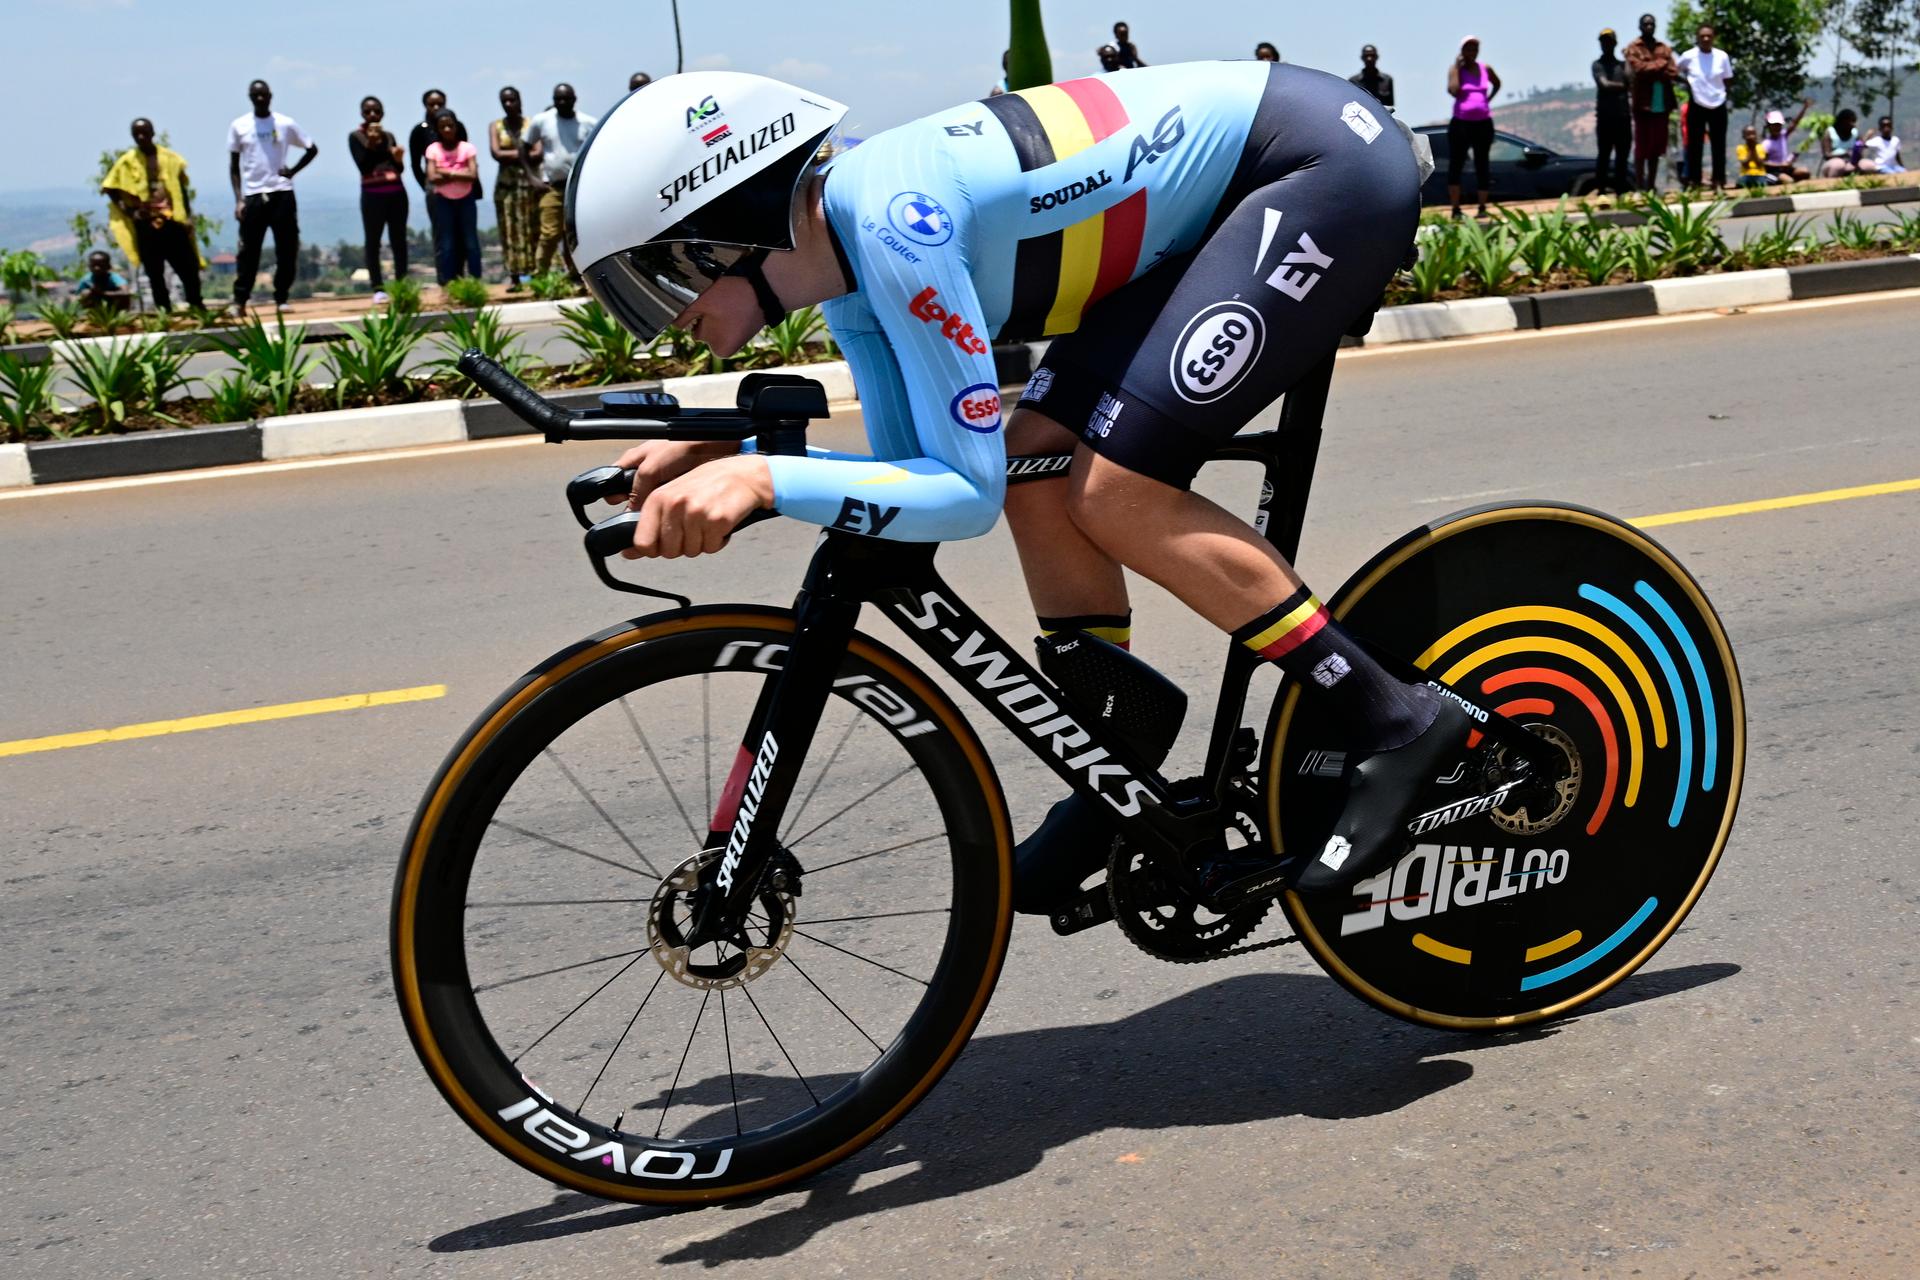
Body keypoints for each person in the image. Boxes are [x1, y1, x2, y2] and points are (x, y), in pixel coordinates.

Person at [567, 64, 1464, 910]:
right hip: (1230, 203)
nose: (667, 314)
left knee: (1116, 491)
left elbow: (962, 493)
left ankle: (1393, 717)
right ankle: (1114, 755)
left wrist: (761, 477)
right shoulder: (848, 273)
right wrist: (739, 447)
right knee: (1039, 467)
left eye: (663, 273)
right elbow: (916, 476)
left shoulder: (893, 225)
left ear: (736, 223)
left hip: (1320, 170)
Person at [227, 79, 316, 315]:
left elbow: (311, 148)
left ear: (270, 96)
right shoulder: (240, 126)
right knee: (248, 251)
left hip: (282, 193)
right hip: (254, 195)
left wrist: (293, 171)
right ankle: (240, 300)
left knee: (287, 249)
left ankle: (282, 297)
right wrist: (238, 199)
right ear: (249, 97)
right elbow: (234, 166)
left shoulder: (285, 124)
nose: (259, 99)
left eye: (263, 94)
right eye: (255, 95)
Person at [101, 117, 204, 312]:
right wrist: (130, 211)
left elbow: (181, 189)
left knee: (187, 266)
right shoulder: (127, 162)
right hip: (146, 224)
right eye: (137, 134)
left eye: (145, 133)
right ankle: (163, 309)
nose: (141, 137)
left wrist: (187, 216)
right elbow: (110, 187)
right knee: (154, 270)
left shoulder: (170, 158)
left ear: (152, 133)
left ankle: (196, 304)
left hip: (172, 221)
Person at [520, 83, 597, 274]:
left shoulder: (588, 123)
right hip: (552, 187)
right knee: (550, 233)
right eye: (558, 99)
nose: (562, 102)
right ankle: (542, 275)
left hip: (579, 189)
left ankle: (577, 275)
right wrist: (531, 177)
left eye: (566, 99)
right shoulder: (542, 121)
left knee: (578, 233)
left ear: (574, 99)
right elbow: (523, 147)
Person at [410, 89, 473, 284]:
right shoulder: (420, 130)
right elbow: (415, 164)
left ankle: (460, 276)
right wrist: (428, 186)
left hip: (462, 189)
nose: (436, 107)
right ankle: (444, 279)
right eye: (432, 104)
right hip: (436, 190)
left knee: (462, 234)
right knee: (442, 236)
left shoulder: (457, 126)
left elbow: (465, 154)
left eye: (440, 103)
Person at [349, 96, 408, 302]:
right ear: (362, 114)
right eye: (368, 111)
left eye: (376, 111)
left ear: (382, 113)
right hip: (373, 196)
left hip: (396, 193)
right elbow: (364, 166)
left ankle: (402, 284)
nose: (372, 115)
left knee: (399, 239)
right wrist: (371, 145)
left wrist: (399, 158)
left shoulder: (389, 136)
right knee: (373, 241)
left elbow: (398, 168)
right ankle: (378, 288)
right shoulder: (356, 137)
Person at [425, 109, 482, 283]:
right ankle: (448, 283)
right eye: (443, 126)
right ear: (438, 129)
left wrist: (445, 172)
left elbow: (472, 176)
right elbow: (432, 178)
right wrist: (459, 172)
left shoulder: (467, 148)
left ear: (456, 126)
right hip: (443, 201)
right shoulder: (433, 149)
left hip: (466, 199)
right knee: (447, 243)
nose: (447, 130)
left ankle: (475, 281)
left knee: (471, 242)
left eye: (450, 125)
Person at [1446, 36, 1500, 218]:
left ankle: (1482, 207)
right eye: (1468, 49)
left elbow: (1497, 83)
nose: (1471, 52)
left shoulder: (1485, 68)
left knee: (1482, 162)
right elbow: (1453, 90)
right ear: (1462, 51)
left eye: (1474, 49)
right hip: (1461, 123)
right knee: (1457, 163)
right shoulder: (1455, 70)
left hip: (1483, 123)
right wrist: (1457, 67)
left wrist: (1487, 101)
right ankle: (1455, 209)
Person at [490, 87, 538, 288]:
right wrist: (522, 154)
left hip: (529, 183)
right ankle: (514, 274)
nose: (509, 105)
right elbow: (496, 153)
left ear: (520, 101)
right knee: (509, 229)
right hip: (506, 186)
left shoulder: (531, 124)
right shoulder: (496, 126)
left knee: (532, 227)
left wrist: (510, 155)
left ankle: (535, 271)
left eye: (512, 100)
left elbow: (538, 153)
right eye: (505, 101)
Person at [1676, 24, 1734, 189]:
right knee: (1695, 144)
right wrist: (1688, 84)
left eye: (1709, 36)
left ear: (1713, 38)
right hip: (1697, 103)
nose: (1706, 39)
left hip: (1718, 103)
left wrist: (1721, 94)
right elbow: (1674, 72)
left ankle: (1718, 180)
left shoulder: (1722, 56)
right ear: (1697, 38)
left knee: (1719, 144)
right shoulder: (1688, 56)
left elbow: (1728, 78)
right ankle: (1695, 180)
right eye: (1702, 36)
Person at [1625, 13, 1679, 191]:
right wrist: (1660, 64)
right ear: (1640, 26)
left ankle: (1651, 185)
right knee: (1642, 147)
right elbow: (1639, 69)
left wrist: (1654, 67)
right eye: (1646, 24)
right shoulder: (1634, 47)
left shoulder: (1663, 47)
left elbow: (1672, 71)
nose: (1649, 27)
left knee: (1656, 148)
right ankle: (1640, 185)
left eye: (1652, 24)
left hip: (1661, 103)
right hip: (1642, 104)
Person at [1592, 29, 1632, 195]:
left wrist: (1628, 59)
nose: (1606, 44)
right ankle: (1601, 191)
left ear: (1615, 43)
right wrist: (1623, 87)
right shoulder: (1597, 65)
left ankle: (1620, 191)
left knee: (1622, 157)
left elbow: (1631, 80)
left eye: (1609, 41)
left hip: (1623, 117)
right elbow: (1604, 85)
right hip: (1605, 118)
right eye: (1603, 41)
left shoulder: (1622, 65)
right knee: (1604, 156)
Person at [1760, 102, 1812, 183]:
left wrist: (1804, 108)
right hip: (1774, 171)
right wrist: (1781, 165)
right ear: (1768, 126)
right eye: (1774, 125)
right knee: (1789, 181)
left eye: (1779, 125)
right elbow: (1764, 163)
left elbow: (1794, 124)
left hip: (1786, 168)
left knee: (1804, 172)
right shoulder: (1766, 144)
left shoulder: (1782, 136)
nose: (1777, 127)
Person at [1819, 109, 1877, 177]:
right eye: (1851, 121)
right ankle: (1833, 186)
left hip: (1852, 162)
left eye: (1854, 121)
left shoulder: (1855, 133)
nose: (1854, 125)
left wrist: (1859, 149)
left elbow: (1860, 149)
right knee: (1838, 166)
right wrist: (1845, 154)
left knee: (1869, 166)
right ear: (1842, 121)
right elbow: (1826, 155)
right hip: (1834, 161)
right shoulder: (1829, 132)